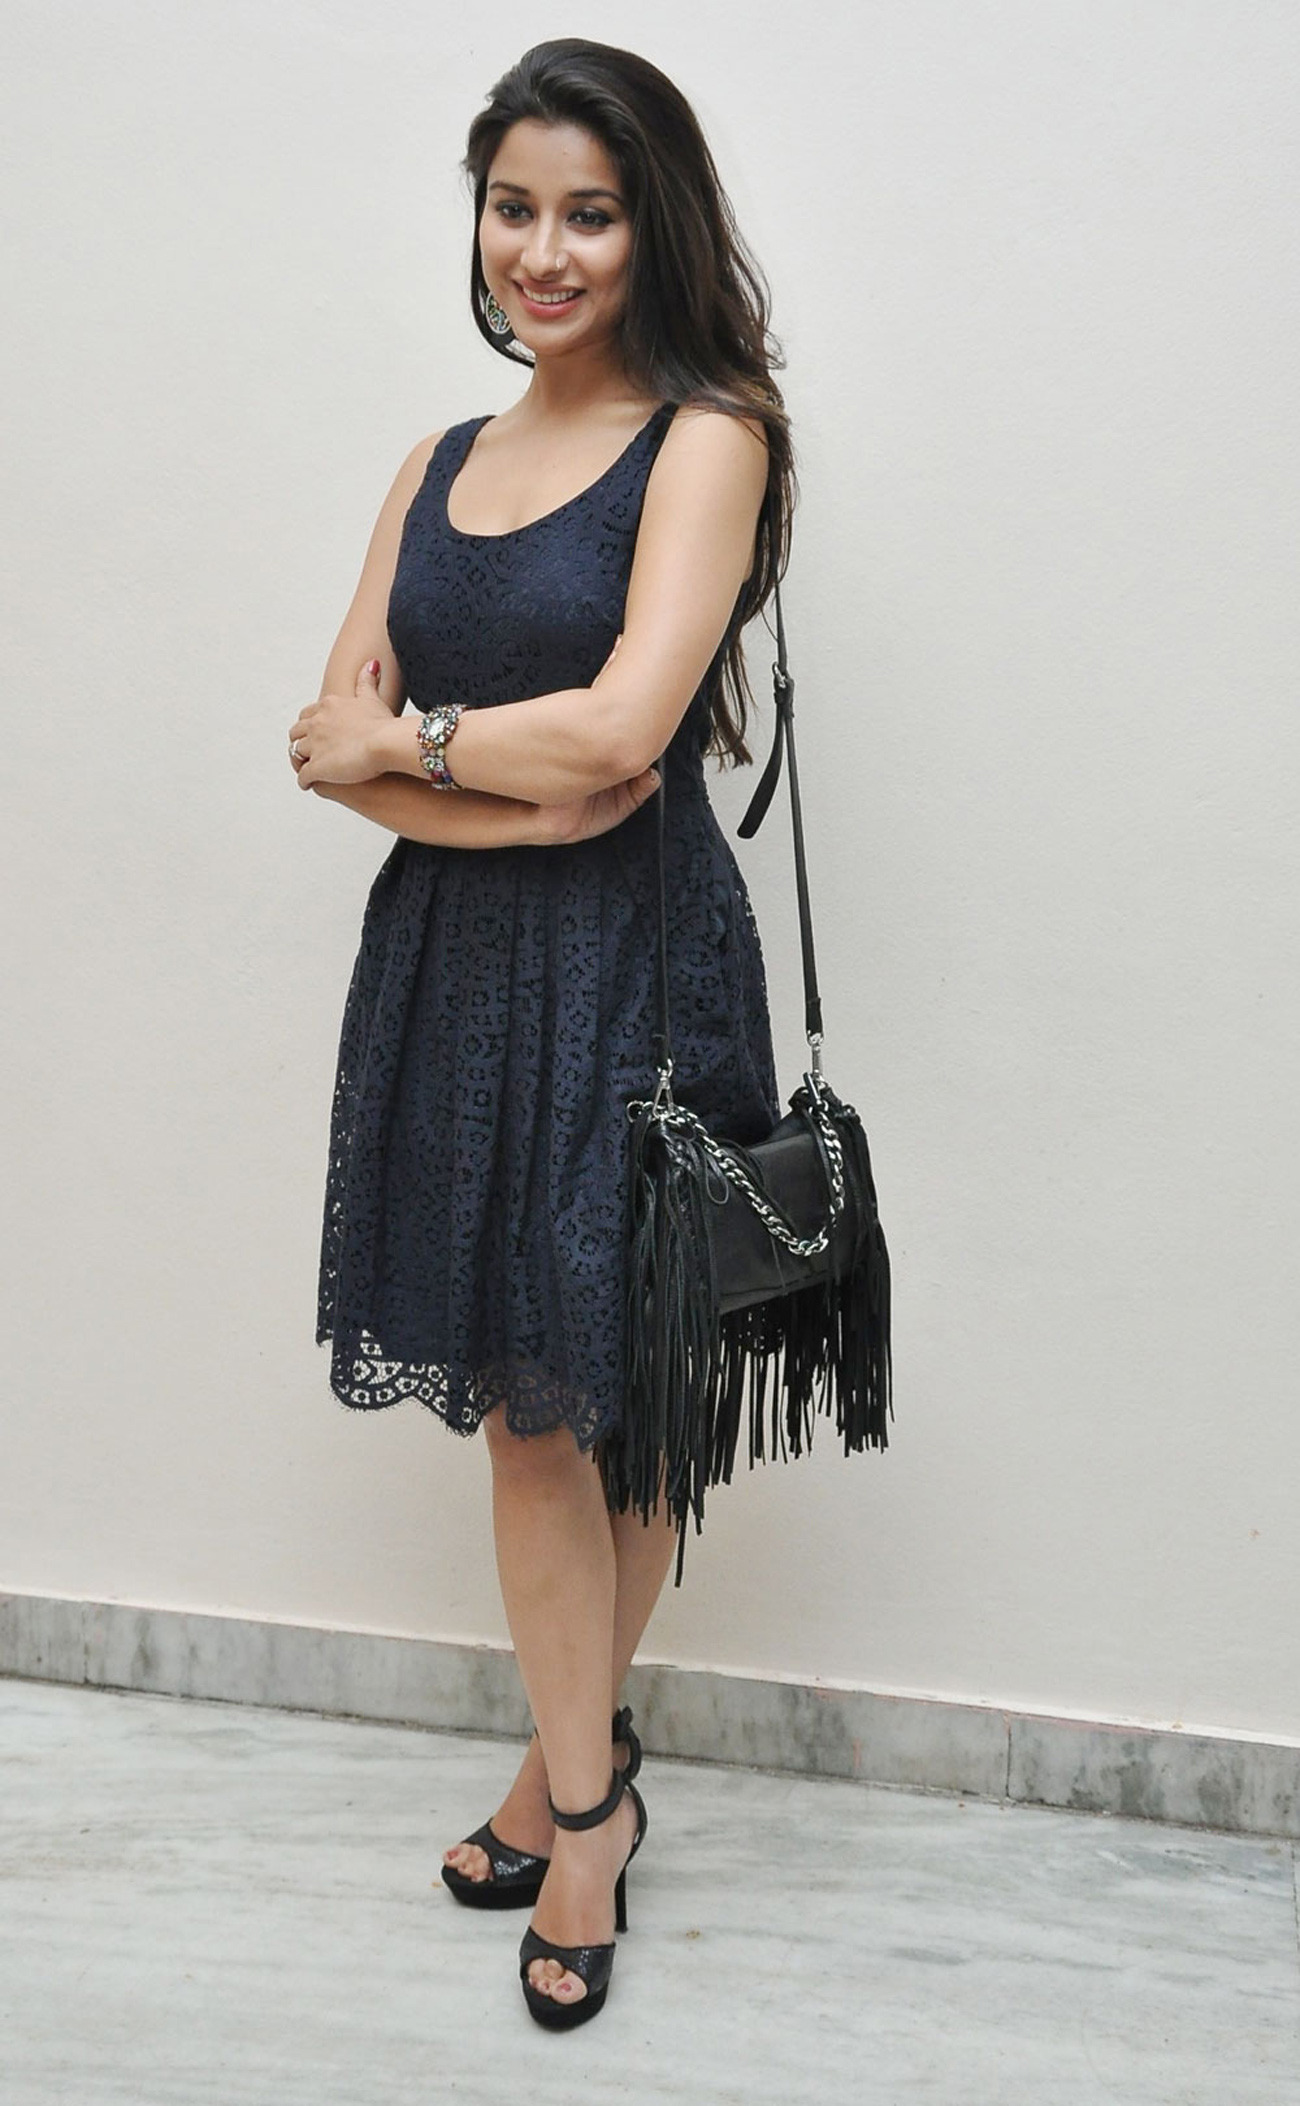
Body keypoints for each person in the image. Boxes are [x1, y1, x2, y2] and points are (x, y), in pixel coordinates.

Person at [287, 37, 795, 2029]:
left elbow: (624, 729)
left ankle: (576, 1812)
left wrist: (424, 744)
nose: (545, 249)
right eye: (515, 207)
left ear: (650, 225)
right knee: (527, 1399)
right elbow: (326, 747)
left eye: (589, 211)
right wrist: (486, 792)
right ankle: (579, 1775)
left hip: (636, 961)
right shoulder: (432, 462)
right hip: (455, 964)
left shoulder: (707, 436)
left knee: (607, 1389)